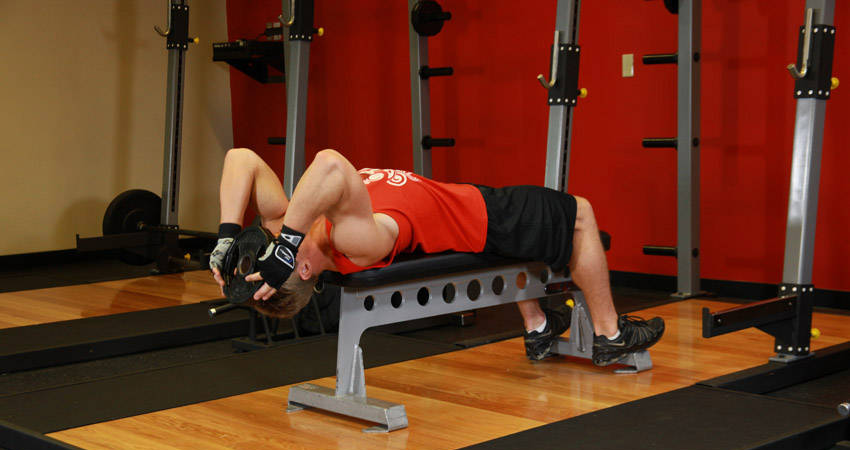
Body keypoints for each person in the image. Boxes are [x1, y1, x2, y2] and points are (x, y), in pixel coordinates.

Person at [210, 148, 664, 366]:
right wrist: (286, 245)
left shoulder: (293, 222)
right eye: (269, 256)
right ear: (302, 269)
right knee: (579, 214)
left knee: (529, 236)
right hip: (483, 219)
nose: (266, 245)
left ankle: (540, 328)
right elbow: (330, 163)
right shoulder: (354, 243)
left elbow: (242, 159)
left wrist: (227, 237)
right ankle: (609, 334)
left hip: (469, 209)